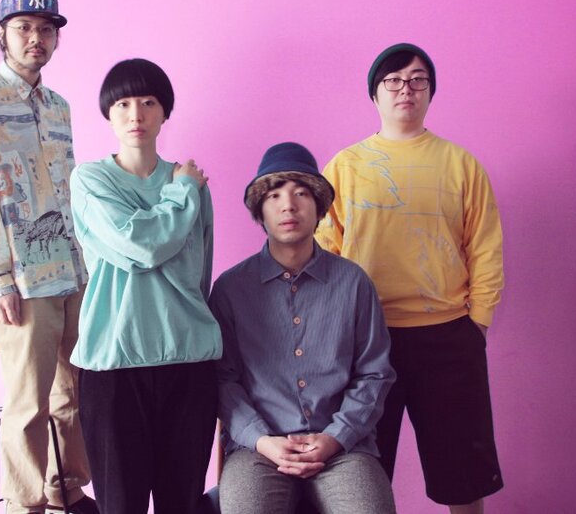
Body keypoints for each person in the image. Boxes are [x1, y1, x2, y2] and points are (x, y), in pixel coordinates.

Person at [316, 43, 505, 513]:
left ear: (431, 93)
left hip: (448, 338)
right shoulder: (344, 166)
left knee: (463, 472)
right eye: (393, 81)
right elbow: (325, 251)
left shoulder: (461, 164)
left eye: (418, 79)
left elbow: (484, 246)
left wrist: (476, 323)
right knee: (361, 475)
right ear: (375, 94)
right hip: (365, 340)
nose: (407, 89)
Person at [0, 0, 97, 514]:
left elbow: (70, 188)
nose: (36, 38)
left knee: (75, 394)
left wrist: (89, 267)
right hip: (22, 279)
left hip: (72, 271)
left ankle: (68, 489)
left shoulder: (59, 107)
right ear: (1, 34)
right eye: (23, 28)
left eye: (45, 29)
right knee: (28, 403)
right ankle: (25, 504)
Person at [69, 58, 221, 514]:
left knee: (183, 503)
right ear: (108, 114)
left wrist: (182, 196)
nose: (136, 114)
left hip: (189, 361)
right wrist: (181, 195)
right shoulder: (91, 180)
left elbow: (199, 271)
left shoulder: (191, 182)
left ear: (164, 112)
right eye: (123, 104)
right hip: (114, 366)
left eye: (148, 102)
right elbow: (143, 247)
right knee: (121, 504)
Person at [211, 142, 397, 514]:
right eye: (275, 194)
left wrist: (335, 438)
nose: (288, 205)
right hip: (258, 449)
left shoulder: (353, 283)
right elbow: (221, 379)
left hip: (342, 448)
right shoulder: (231, 289)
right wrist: (262, 440)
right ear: (260, 211)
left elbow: (375, 374)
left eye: (301, 193)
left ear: (320, 208)